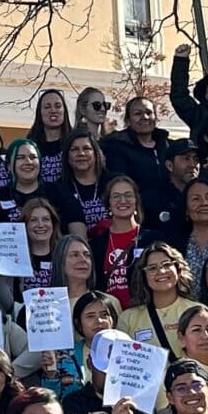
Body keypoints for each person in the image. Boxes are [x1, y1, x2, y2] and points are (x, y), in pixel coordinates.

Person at [90, 175, 146, 308]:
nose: (122, 200)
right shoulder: (96, 245)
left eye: (128, 195)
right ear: (108, 203)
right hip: (111, 317)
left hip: (144, 313)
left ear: (136, 201)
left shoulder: (151, 239)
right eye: (116, 196)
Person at [102, 96, 168, 207]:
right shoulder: (117, 148)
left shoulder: (167, 145)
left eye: (149, 112)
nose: (145, 117)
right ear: (128, 120)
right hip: (137, 210)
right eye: (138, 114)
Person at [55, 130, 110, 231]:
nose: (81, 153)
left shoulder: (112, 182)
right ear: (67, 156)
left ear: (95, 153)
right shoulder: (58, 189)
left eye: (86, 148)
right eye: (74, 149)